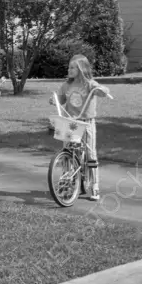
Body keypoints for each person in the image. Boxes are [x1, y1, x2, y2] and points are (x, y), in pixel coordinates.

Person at [50, 54, 110, 200]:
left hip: (86, 122)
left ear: (81, 69)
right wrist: (54, 100)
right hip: (71, 122)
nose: (69, 70)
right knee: (68, 152)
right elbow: (61, 98)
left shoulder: (89, 84)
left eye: (73, 67)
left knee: (90, 152)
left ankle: (95, 185)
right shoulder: (66, 85)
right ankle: (68, 182)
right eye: (69, 67)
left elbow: (103, 90)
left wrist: (101, 90)